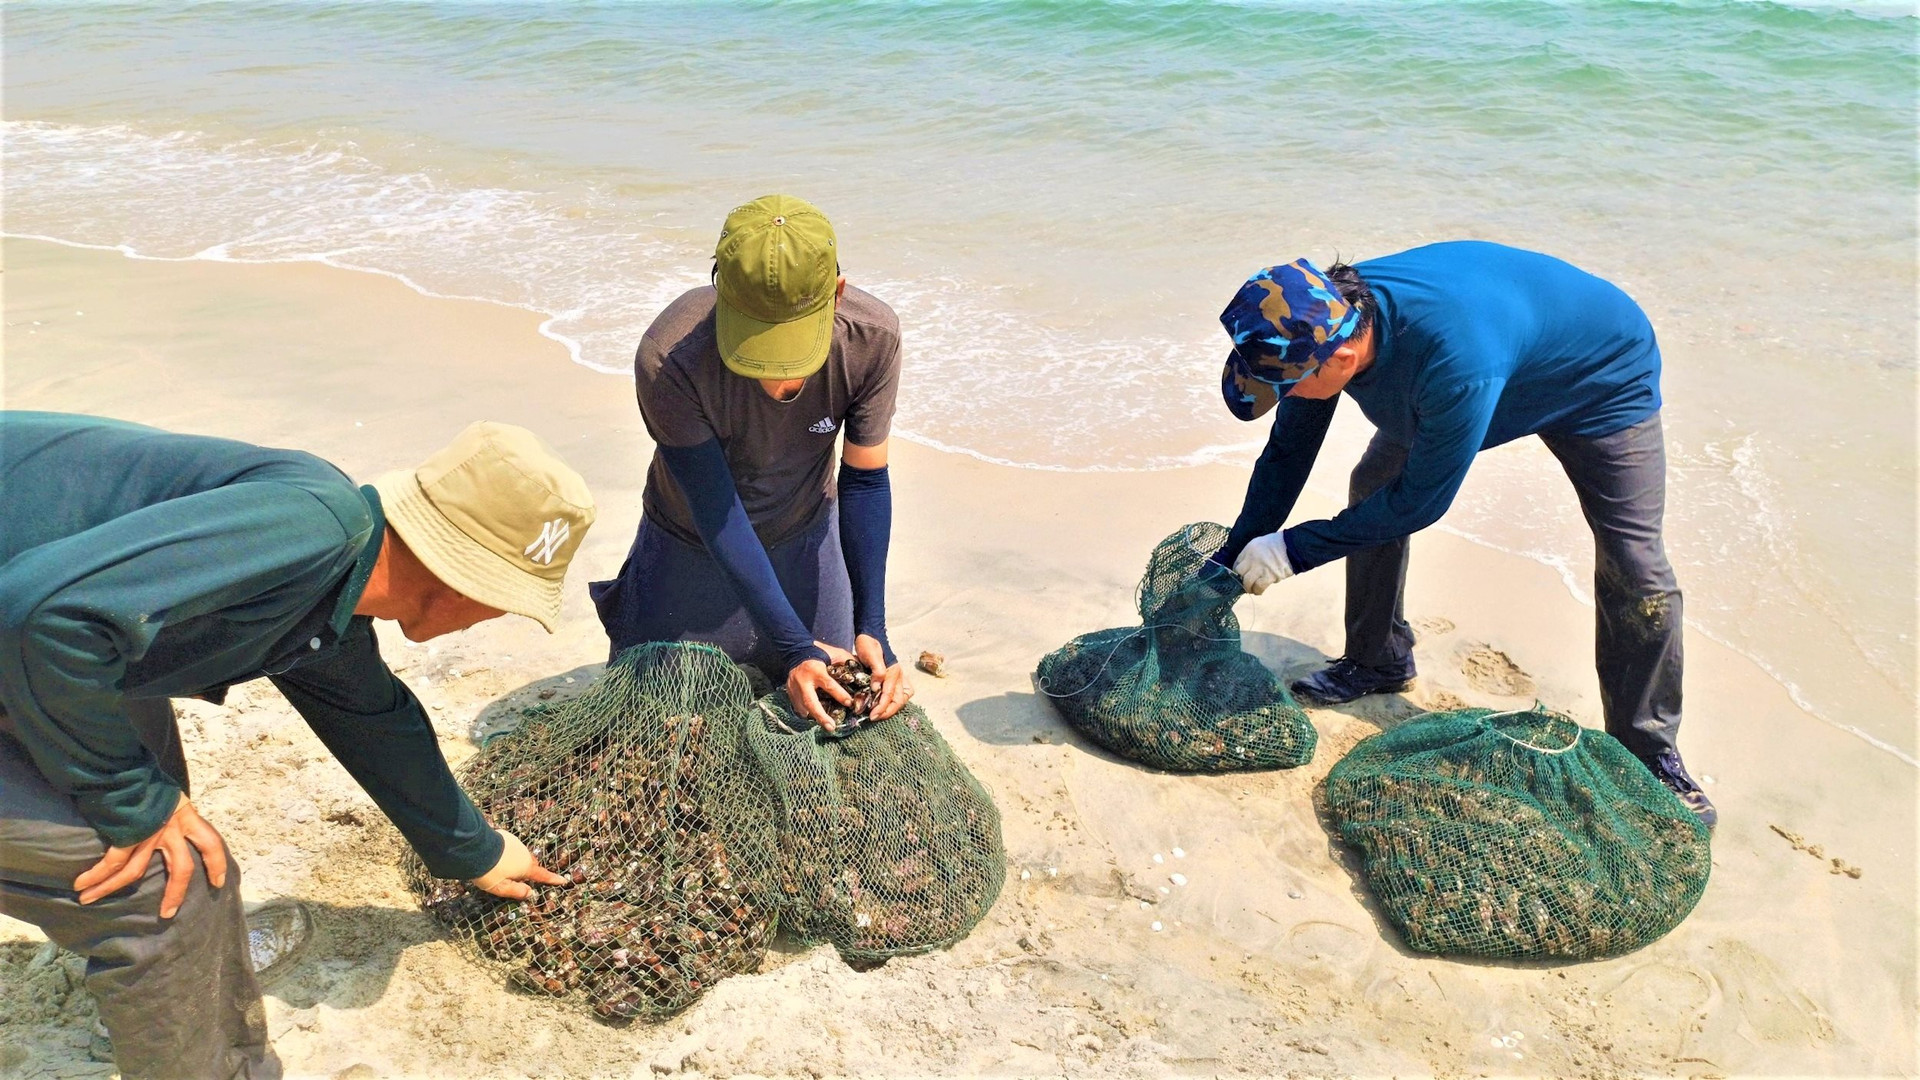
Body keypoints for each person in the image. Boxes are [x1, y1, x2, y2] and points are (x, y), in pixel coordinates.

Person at [0, 412, 598, 1078]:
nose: (501, 615)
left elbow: (372, 716)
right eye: (509, 600)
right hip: (22, 623)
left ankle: (180, 992)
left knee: (151, 757)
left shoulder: (328, 567)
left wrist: (470, 848)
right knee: (170, 880)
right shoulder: (312, 527)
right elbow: (41, 615)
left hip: (23, 626)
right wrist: (127, 798)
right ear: (466, 582)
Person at [1210, 243, 1714, 827]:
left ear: (1345, 357)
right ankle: (1377, 661)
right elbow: (1287, 453)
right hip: (1497, 355)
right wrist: (1231, 556)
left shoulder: (1453, 365)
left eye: (1286, 385)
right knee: (1374, 486)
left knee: (1636, 566)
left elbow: (1420, 503)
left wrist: (1292, 551)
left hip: (1600, 376)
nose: (1283, 397)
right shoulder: (1315, 321)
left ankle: (1648, 756)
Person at [591, 194, 913, 732]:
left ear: (837, 294)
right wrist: (792, 645)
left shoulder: (871, 340)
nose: (776, 381)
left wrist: (872, 625)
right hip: (693, 535)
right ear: (720, 292)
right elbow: (716, 509)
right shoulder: (669, 356)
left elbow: (864, 483)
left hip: (804, 528)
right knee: (657, 716)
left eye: (792, 352)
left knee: (833, 708)